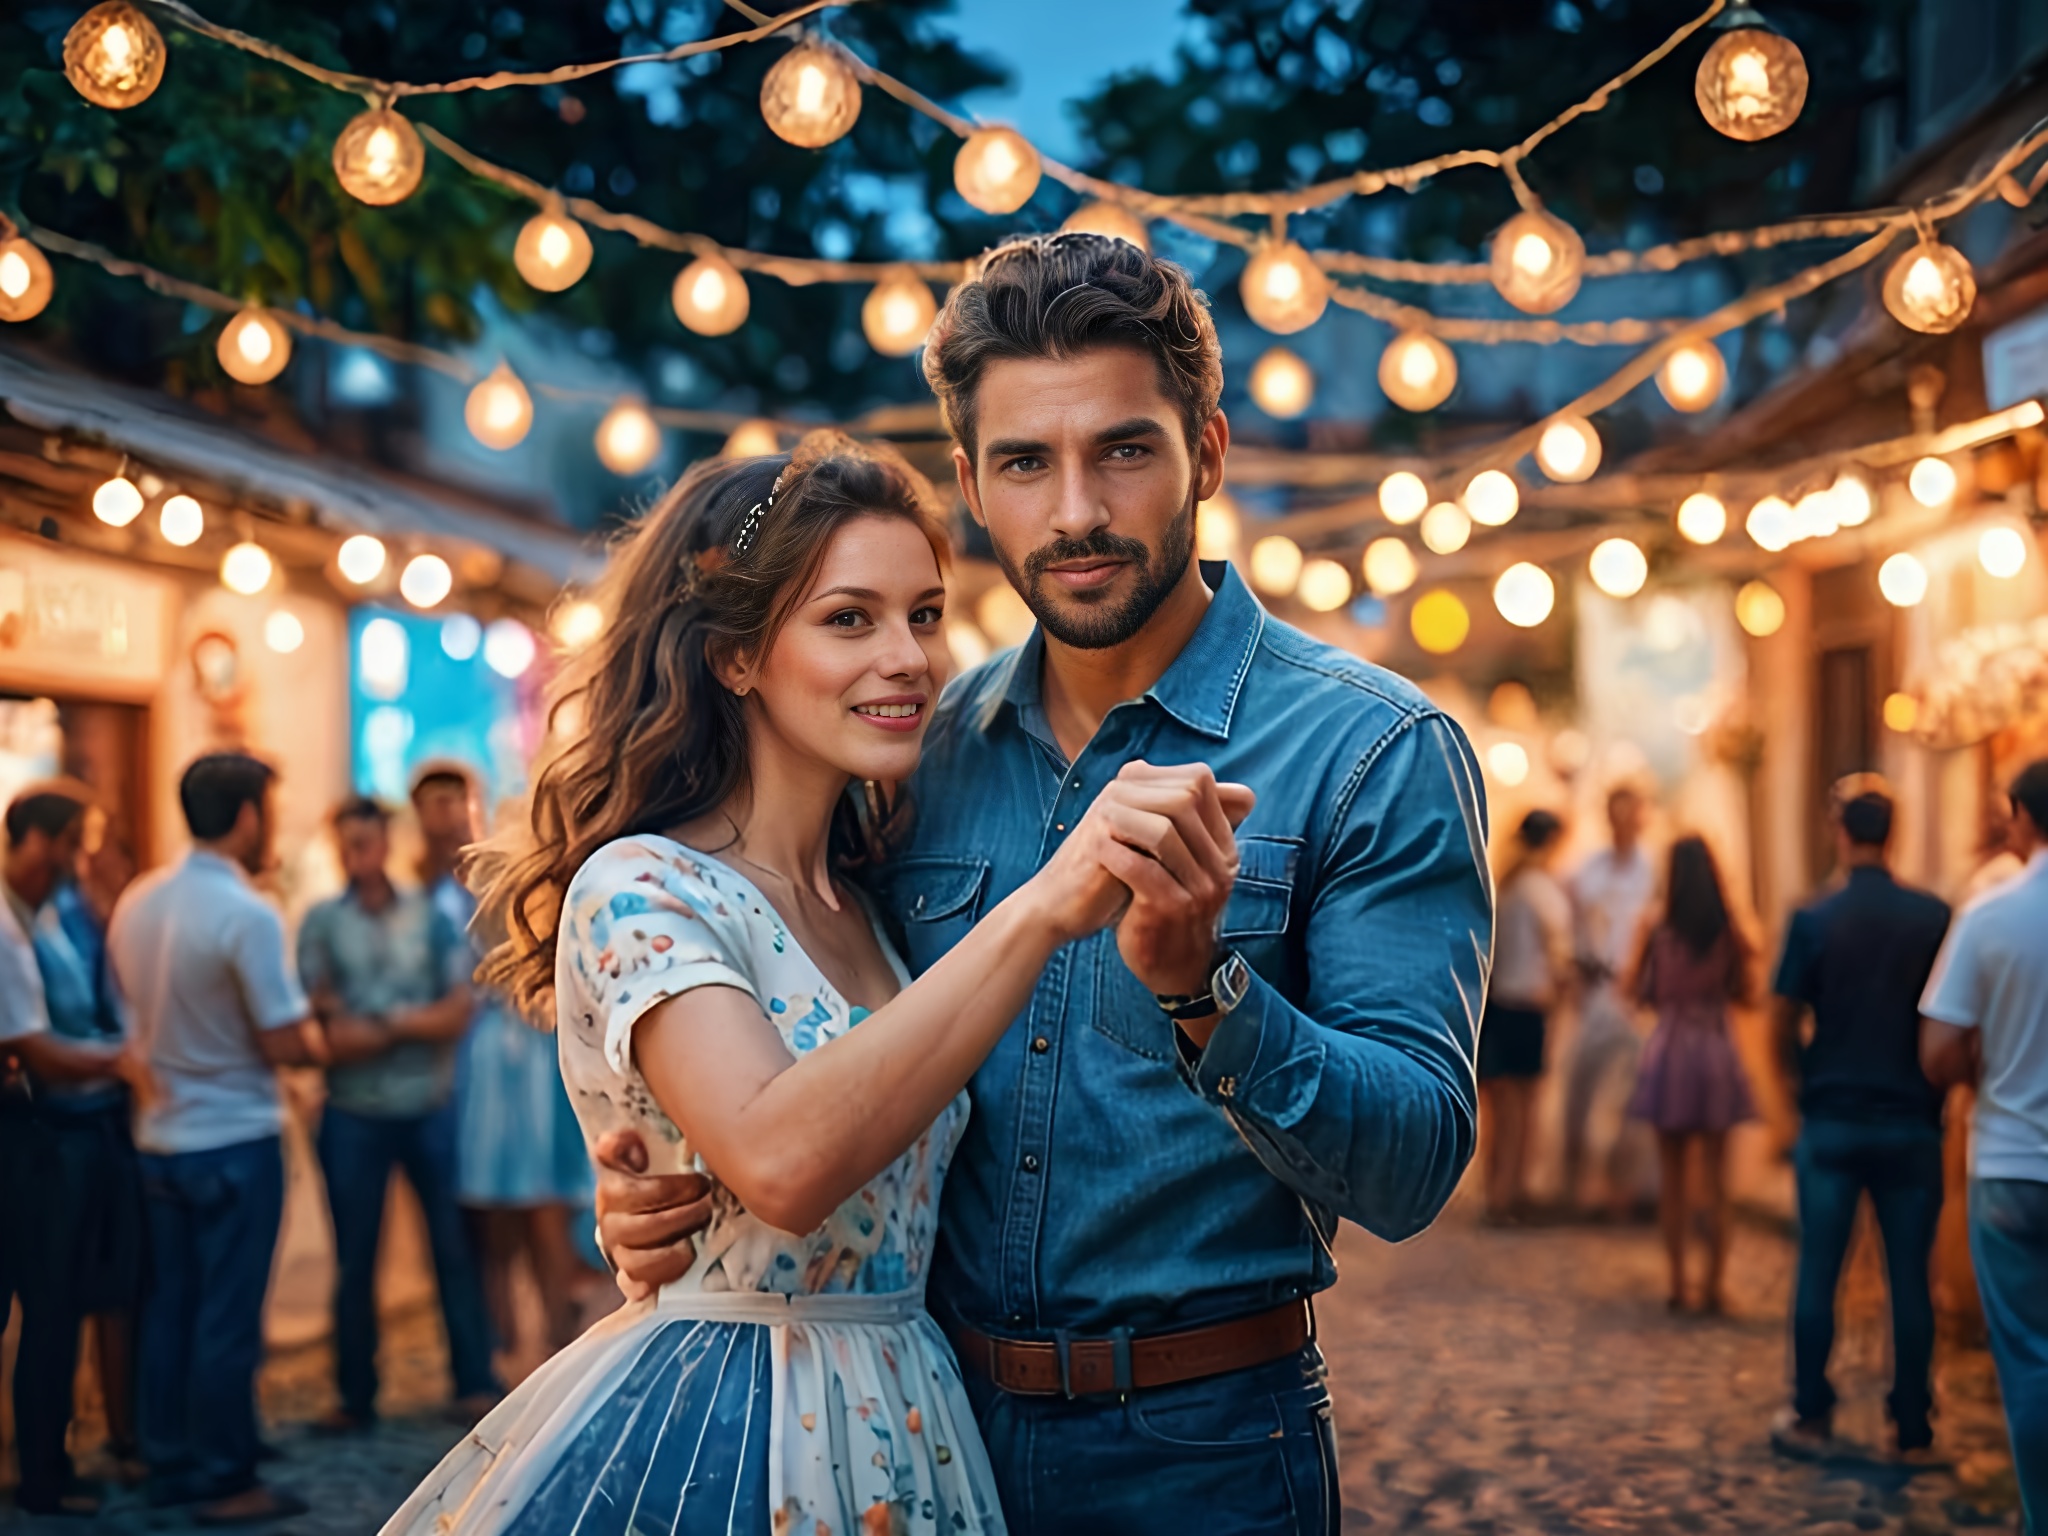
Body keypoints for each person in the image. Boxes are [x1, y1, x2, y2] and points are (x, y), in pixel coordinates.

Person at [585, 233, 1492, 1534]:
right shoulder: (912, 752)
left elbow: (1410, 1168)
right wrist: (672, 1192)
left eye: (1123, 450)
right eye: (1025, 463)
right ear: (971, 484)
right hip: (918, 1432)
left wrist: (1208, 996)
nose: (1074, 511)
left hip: (1207, 1448)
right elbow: (812, 1054)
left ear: (1209, 453)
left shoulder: (1371, 751)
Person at [385, 430, 1195, 1536]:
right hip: (736, 1417)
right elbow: (779, 1157)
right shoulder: (643, 885)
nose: (907, 657)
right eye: (847, 618)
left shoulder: (875, 890)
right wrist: (1045, 907)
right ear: (735, 654)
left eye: (922, 613)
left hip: (911, 1409)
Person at [107, 753, 325, 1523]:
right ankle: (229, 1475)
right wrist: (319, 1038)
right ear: (245, 817)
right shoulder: (247, 912)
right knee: (228, 1314)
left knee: (169, 1308)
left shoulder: (140, 899)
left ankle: (171, 1459)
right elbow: (283, 1041)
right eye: (269, 808)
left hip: (159, 1134)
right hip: (234, 1134)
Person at [298, 795, 496, 1431]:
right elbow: (321, 1027)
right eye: (348, 844)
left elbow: (455, 1011)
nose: (360, 855)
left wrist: (379, 1025)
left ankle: (473, 1380)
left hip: (425, 1104)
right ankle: (356, 1394)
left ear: (385, 841)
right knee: (355, 1256)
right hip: (353, 1111)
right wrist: (406, 1023)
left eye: (368, 841)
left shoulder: (428, 917)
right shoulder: (322, 923)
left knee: (452, 1246)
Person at [1768, 777, 1951, 1460]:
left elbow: (1781, 1016)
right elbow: (1947, 1020)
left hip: (1834, 1116)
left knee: (1820, 1269)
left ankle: (1811, 1412)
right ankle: (1912, 1425)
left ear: (1840, 831)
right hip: (1910, 1118)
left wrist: (1798, 1085)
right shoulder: (1933, 917)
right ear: (1892, 833)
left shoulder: (1813, 917)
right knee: (1911, 1277)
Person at [0, 782, 148, 1518]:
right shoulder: (7, 921)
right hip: (35, 1136)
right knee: (45, 1309)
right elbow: (32, 1046)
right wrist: (124, 1060)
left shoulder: (54, 917)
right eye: (67, 843)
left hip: (49, 1132)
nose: (73, 859)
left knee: (54, 1308)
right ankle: (40, 1479)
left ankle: (45, 1469)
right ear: (33, 839)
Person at [414, 763, 592, 1359]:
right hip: (502, 1046)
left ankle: (542, 1336)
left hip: (524, 1044)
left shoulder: (520, 881)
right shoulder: (485, 882)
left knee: (538, 1198)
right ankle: (521, 1339)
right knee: (504, 1202)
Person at [1922, 757, 2048, 1531]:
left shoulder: (1992, 914)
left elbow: (1938, 1054)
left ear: (2020, 818)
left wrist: (1988, 1059)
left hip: (2008, 1165)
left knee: (2031, 1364)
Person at [1625, 835, 1756, 1313]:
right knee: (1719, 1180)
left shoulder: (1656, 931)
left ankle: (1679, 1283)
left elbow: (1636, 991)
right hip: (1717, 1050)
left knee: (1674, 1179)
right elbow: (1748, 991)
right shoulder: (1730, 933)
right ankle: (1715, 1284)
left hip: (1670, 1051)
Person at [1563, 784, 1658, 1219]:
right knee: (1584, 1091)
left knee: (1634, 1098)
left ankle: (1629, 1187)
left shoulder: (1653, 872)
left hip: (1639, 999)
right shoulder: (1589, 870)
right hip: (1598, 992)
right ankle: (1583, 1186)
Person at [1479, 808, 1571, 1222]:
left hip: (1498, 1005)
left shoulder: (1505, 885)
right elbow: (1560, 953)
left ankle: (1494, 1191)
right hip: (1528, 1004)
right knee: (1522, 1109)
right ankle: (1512, 1193)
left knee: (1499, 1108)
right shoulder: (1541, 889)